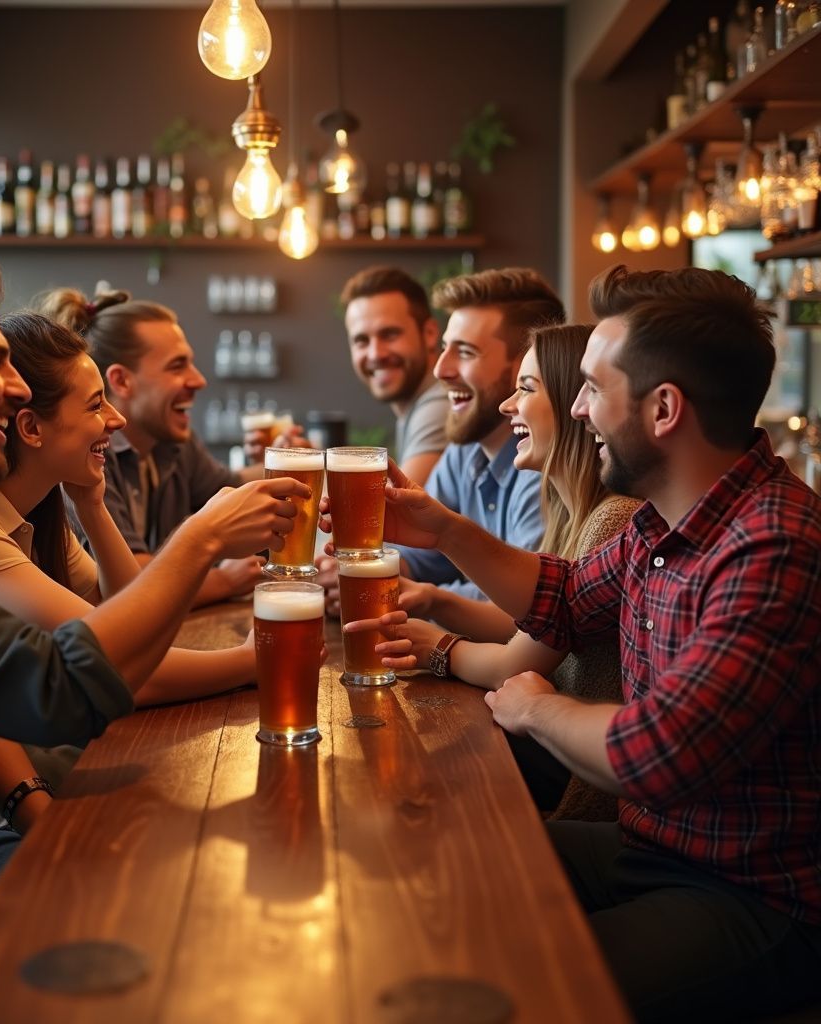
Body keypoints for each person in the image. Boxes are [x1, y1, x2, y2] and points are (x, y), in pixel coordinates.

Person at [0, 243, 308, 1022]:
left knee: (162, 917)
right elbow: (55, 686)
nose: (13, 388)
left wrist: (35, 808)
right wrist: (202, 539)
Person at [354, 265, 821, 1021]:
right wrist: (442, 529)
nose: (577, 408)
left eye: (594, 388)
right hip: (655, 848)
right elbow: (564, 599)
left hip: (756, 895)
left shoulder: (772, 544)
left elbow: (658, 749)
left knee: (512, 992)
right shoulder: (659, 523)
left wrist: (535, 708)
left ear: (665, 409)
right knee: (428, 867)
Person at [0, 312, 265, 837]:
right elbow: (117, 668)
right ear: (30, 428)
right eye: (97, 405)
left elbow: (130, 622)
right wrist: (251, 661)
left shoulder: (42, 509)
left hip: (51, 774)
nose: (115, 422)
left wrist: (92, 506)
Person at [345, 323, 640, 821]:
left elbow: (515, 664)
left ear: (575, 404)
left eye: (525, 389)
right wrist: (436, 601)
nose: (507, 406)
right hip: (559, 748)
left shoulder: (613, 518)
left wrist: (438, 648)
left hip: (581, 777)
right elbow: (529, 622)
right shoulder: (571, 512)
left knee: (413, 767)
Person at [319, 267, 562, 623]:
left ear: (525, 364)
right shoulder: (467, 448)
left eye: (464, 352)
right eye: (445, 348)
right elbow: (426, 555)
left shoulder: (545, 464)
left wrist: (419, 595)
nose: (440, 370)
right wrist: (369, 574)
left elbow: (528, 603)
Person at [41, 288, 271, 607]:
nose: (199, 380)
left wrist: (284, 462)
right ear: (121, 381)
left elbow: (230, 490)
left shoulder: (172, 441)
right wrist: (222, 581)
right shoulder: (88, 456)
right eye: (177, 366)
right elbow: (130, 586)